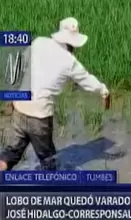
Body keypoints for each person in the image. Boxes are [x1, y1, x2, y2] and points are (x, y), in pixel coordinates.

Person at [0, 17, 110, 171]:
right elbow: (87, 80)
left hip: (20, 107)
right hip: (39, 116)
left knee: (10, 155)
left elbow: (19, 66)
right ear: (73, 43)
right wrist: (104, 91)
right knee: (49, 163)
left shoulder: (39, 42)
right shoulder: (69, 61)